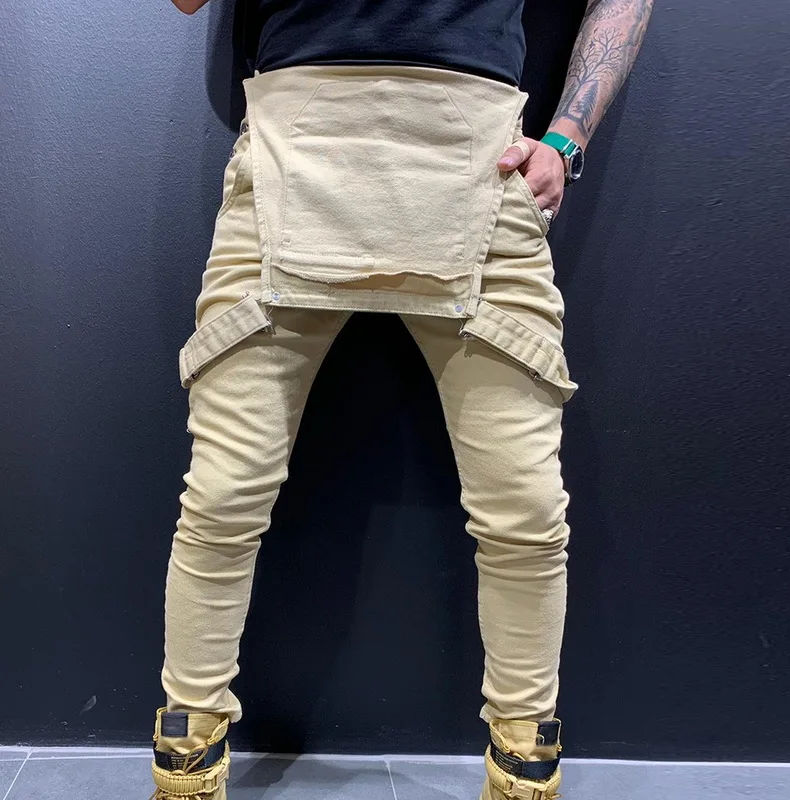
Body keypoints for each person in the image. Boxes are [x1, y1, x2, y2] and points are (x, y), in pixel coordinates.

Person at [149, 1, 653, 798]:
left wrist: (566, 139)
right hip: (288, 154)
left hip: (481, 164)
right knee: (222, 493)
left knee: (525, 509)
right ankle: (185, 766)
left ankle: (524, 769)